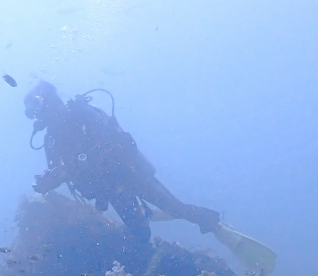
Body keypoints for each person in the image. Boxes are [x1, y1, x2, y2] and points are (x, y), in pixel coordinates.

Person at [24, 80, 221, 242]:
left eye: (44, 108)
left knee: (173, 207)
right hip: (108, 188)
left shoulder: (83, 113)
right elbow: (57, 170)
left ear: (55, 102)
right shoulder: (51, 140)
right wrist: (48, 181)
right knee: (139, 232)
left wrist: (82, 162)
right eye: (36, 113)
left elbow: (108, 139)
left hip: (130, 172)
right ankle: (147, 224)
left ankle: (211, 220)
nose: (43, 116)